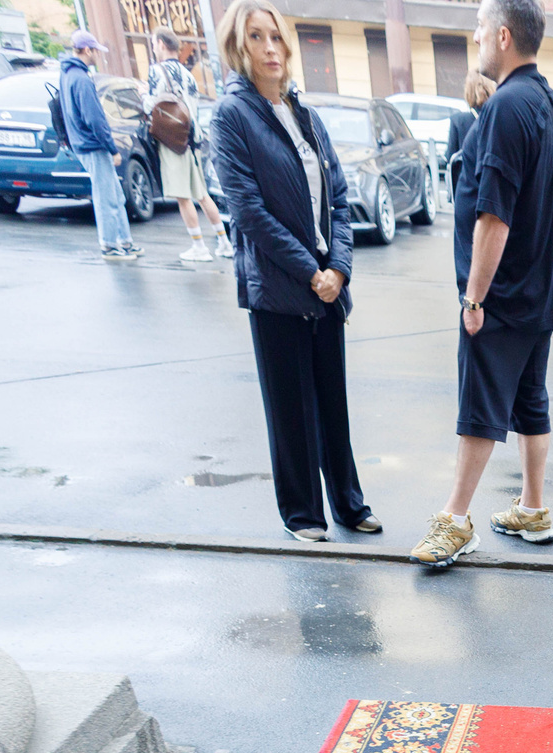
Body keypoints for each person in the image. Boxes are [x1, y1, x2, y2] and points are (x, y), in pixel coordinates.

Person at [409, 0, 553, 570]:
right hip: (540, 287)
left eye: (480, 27)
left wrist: (474, 297)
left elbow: (494, 214)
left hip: (503, 293)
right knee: (530, 399)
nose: (474, 35)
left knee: (480, 404)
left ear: (503, 36)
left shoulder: (506, 107)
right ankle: (532, 508)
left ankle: (455, 519)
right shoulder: (551, 104)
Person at [213, 2, 381, 541]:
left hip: (326, 285)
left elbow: (338, 199)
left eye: (276, 38)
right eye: (256, 38)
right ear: (240, 47)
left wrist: (340, 269)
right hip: (279, 288)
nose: (269, 49)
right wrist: (313, 272)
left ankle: (349, 505)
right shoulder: (232, 115)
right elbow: (249, 212)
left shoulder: (305, 115)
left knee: (334, 402)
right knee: (290, 409)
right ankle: (303, 514)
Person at [147, 29, 229, 261]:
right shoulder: (187, 73)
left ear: (161, 44)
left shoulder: (157, 71)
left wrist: (144, 97)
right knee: (202, 194)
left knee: (183, 196)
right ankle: (224, 242)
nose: (154, 47)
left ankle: (199, 246)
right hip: (192, 138)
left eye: (154, 43)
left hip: (172, 140)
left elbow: (150, 104)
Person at [60, 31, 138, 259]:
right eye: (95, 50)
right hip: (93, 145)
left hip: (83, 143)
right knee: (107, 197)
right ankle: (110, 245)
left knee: (114, 194)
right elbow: (95, 118)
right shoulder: (82, 79)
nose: (97, 55)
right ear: (86, 50)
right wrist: (112, 148)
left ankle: (124, 241)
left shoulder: (67, 75)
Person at [445, 69, 494, 202]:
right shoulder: (499, 117)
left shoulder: (458, 121)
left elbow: (450, 156)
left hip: (468, 194)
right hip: (494, 194)